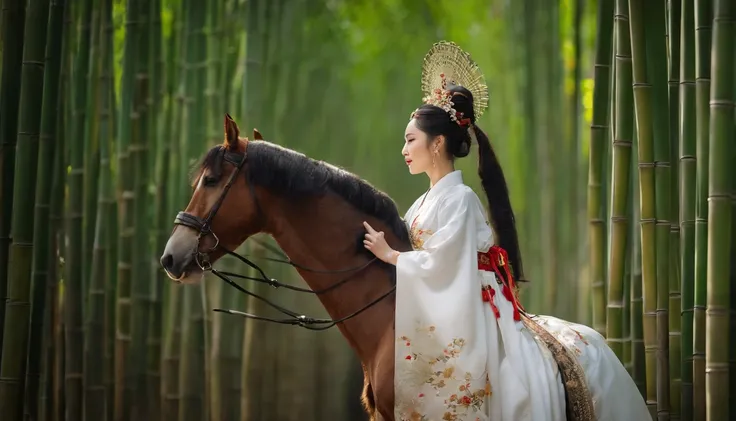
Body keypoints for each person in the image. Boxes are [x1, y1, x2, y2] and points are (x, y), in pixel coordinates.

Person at [362, 42, 650, 421]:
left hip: (471, 304)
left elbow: (447, 262)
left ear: (438, 143)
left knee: (499, 391)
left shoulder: (460, 199)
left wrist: (394, 257)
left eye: (410, 139)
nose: (404, 149)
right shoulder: (422, 204)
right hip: (441, 304)